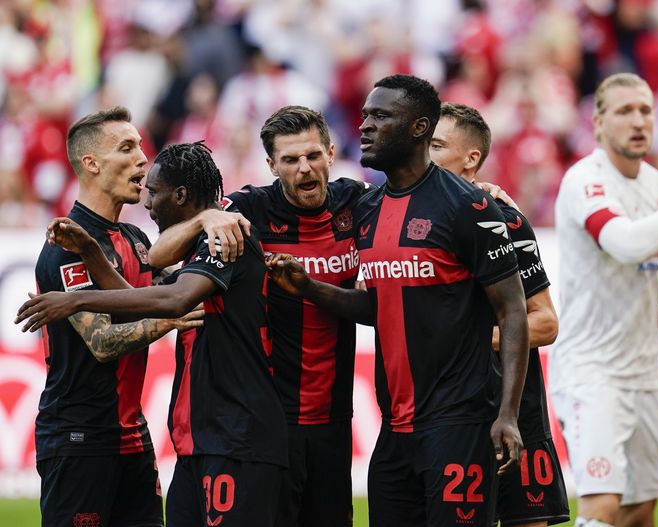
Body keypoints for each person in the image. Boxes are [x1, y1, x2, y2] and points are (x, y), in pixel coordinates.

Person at [268, 74, 530, 527]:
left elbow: (513, 310)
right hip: (393, 431)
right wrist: (311, 288)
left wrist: (507, 413)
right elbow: (378, 307)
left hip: (458, 422)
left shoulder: (469, 208)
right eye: (366, 115)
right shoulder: (366, 211)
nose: (365, 125)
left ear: (418, 128)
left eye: (380, 116)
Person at [17, 141, 288, 527]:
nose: (148, 203)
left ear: (180, 195)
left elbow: (174, 300)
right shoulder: (200, 243)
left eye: (155, 193)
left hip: (237, 437)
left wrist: (76, 302)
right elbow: (141, 297)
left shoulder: (226, 238)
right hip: (199, 439)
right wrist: (93, 253)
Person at [146, 105, 368, 527]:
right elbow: (157, 254)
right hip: (272, 421)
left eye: (312, 156)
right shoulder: (250, 210)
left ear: (331, 152)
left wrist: (478, 190)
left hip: (334, 420)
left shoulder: (358, 203)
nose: (304, 169)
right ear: (271, 165)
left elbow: (419, 204)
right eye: (290, 160)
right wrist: (204, 219)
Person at [26, 106, 202, 527]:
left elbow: (182, 288)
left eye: (141, 145)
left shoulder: (137, 239)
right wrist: (171, 319)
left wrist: (208, 219)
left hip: (132, 440)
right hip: (78, 440)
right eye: (127, 148)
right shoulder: (66, 244)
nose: (143, 158)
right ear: (91, 164)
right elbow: (102, 342)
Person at [550, 73, 658, 527]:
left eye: (645, 110)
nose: (639, 120)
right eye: (625, 111)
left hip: (644, 374)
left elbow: (654, 270)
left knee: (641, 509)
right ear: (599, 123)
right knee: (602, 505)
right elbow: (626, 245)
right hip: (591, 372)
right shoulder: (585, 179)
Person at [431, 101, 570, 527]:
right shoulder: (399, 217)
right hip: (444, 412)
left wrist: (474, 339)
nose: (423, 153)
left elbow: (545, 322)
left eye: (435, 145)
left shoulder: (504, 221)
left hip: (514, 408)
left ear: (471, 158)